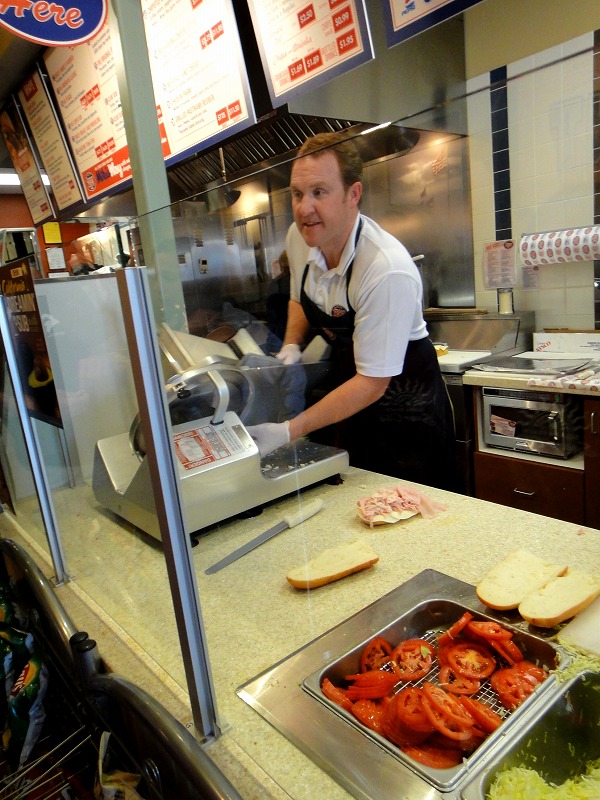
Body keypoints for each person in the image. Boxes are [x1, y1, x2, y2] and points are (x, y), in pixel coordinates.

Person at [246, 132, 458, 491]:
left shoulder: (385, 268)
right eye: (297, 194)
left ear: (353, 194)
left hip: (403, 404)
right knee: (349, 492)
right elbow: (299, 297)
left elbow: (373, 382)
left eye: (319, 192)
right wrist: (291, 345)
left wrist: (287, 431)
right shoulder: (300, 237)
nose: (304, 208)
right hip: (350, 387)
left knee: (407, 501)